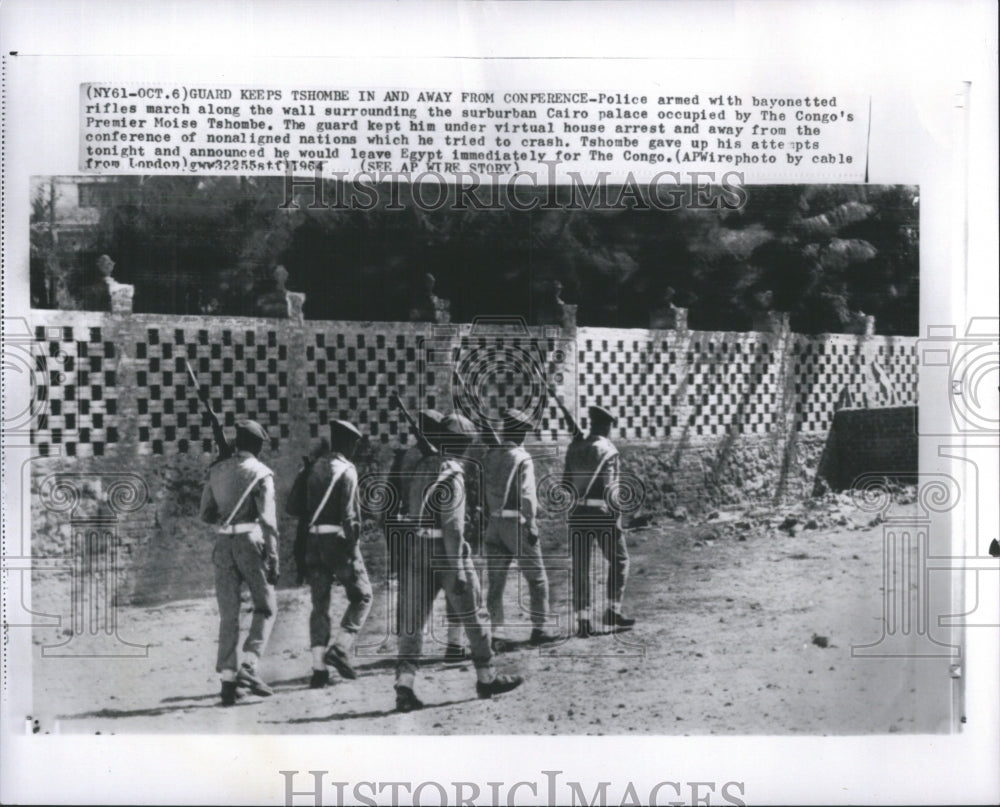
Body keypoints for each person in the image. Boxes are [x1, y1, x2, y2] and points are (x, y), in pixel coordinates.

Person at [394, 413, 524, 712]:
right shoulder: (451, 472)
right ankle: (487, 677)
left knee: (412, 623)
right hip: (446, 552)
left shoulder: (420, 465)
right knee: (475, 616)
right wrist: (457, 568)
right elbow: (452, 527)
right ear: (461, 444)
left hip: (416, 550)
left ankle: (404, 686)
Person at [198, 420, 279, 706]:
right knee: (266, 607)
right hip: (250, 542)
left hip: (223, 544)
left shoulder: (216, 469)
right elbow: (268, 520)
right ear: (257, 445)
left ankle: (228, 682)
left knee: (228, 614)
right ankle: (249, 665)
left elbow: (206, 514)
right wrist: (274, 555)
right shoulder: (262, 473)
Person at [289, 419, 374, 689]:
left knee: (320, 606)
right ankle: (340, 648)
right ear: (348, 443)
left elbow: (294, 508)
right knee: (363, 596)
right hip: (336, 542)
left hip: (312, 542)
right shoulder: (347, 470)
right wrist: (353, 548)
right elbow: (350, 517)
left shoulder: (313, 467)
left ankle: (318, 670)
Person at [396, 410, 469, 664]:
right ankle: (455, 643)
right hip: (436, 530)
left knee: (412, 598)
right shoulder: (435, 461)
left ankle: (407, 650)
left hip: (410, 530)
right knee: (457, 588)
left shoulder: (412, 457)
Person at [483, 408, 556, 649]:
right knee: (536, 578)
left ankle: (497, 632)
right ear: (521, 431)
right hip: (517, 523)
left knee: (496, 583)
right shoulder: (521, 457)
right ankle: (541, 627)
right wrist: (532, 523)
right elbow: (526, 494)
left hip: (493, 523)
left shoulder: (491, 454)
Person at [562, 405, 635, 638]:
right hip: (602, 515)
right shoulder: (608, 450)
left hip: (578, 514)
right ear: (607, 426)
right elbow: (610, 489)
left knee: (581, 567)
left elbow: (565, 484)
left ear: (592, 424)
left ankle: (583, 620)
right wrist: (617, 520)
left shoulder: (574, 448)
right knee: (620, 559)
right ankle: (612, 610)